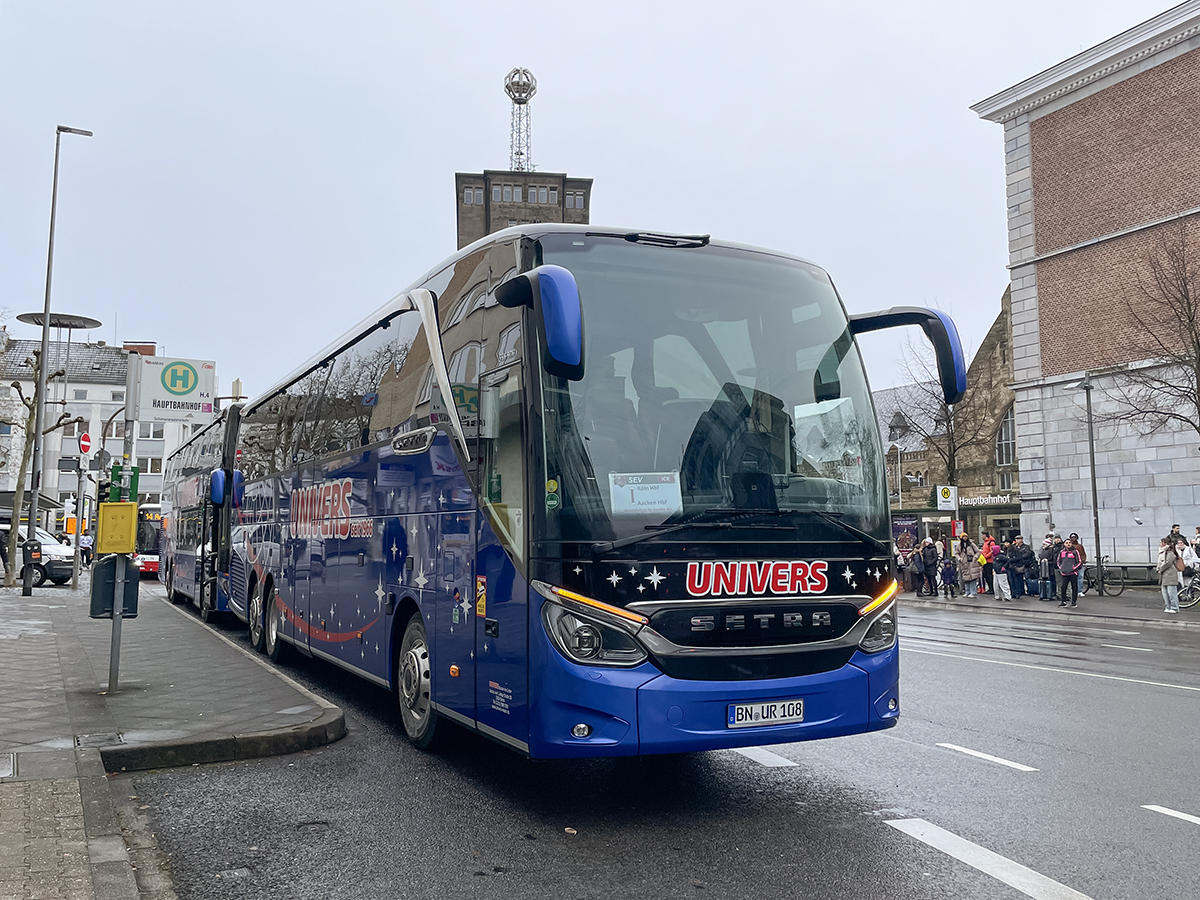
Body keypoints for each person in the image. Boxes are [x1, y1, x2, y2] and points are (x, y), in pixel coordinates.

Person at [1157, 537, 1181, 614]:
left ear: (1164, 543)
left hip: (1170, 575)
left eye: (1161, 543)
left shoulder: (1170, 552)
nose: (1160, 544)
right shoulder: (1162, 552)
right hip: (1163, 575)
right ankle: (1168, 606)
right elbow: (1159, 562)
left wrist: (1161, 568)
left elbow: (1168, 562)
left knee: (1171, 593)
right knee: (1165, 593)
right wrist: (1158, 568)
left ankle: (1174, 607)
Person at [1057, 537, 1084, 607]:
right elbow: (1058, 561)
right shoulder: (1062, 552)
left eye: (1069, 543)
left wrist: (1073, 568)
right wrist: (1061, 568)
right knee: (1063, 587)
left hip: (1073, 573)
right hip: (1064, 573)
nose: (1068, 544)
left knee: (1074, 587)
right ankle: (1063, 601)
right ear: (1064, 544)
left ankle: (1074, 602)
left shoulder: (1075, 552)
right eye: (1066, 543)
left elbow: (1079, 561)